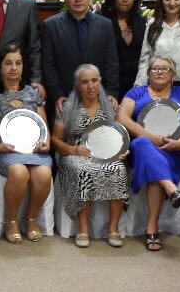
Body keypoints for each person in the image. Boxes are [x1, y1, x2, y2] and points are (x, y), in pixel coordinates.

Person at [117, 56, 180, 252]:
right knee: (143, 144)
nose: (160, 71)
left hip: (172, 149)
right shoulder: (136, 92)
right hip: (142, 148)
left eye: (165, 69)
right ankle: (171, 190)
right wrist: (152, 137)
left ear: (173, 75)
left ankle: (151, 228)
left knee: (154, 171)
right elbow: (121, 117)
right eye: (155, 68)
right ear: (148, 73)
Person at [0, 45, 52, 245]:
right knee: (19, 173)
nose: (13, 68)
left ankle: (31, 219)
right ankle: (10, 221)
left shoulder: (32, 93)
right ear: (0, 68)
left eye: (18, 63)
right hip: (1, 151)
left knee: (44, 174)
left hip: (33, 151)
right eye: (8, 63)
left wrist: (46, 144)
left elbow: (43, 128)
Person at [51, 64, 129, 248]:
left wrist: (122, 150)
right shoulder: (68, 107)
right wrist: (73, 150)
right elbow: (55, 139)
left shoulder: (110, 106)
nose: (90, 86)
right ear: (78, 85)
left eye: (94, 80)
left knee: (118, 169)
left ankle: (113, 229)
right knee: (83, 170)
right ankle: (83, 229)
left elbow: (120, 134)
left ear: (100, 82)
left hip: (106, 155)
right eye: (85, 82)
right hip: (76, 155)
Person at [42, 0, 120, 118]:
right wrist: (57, 95)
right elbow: (48, 66)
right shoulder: (50, 25)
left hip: (97, 101)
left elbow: (112, 63)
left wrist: (111, 93)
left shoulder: (105, 25)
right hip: (64, 101)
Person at [99, 0, 147, 97]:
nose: (125, 0)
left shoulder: (140, 22)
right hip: (108, 86)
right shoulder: (102, 21)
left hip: (137, 85)